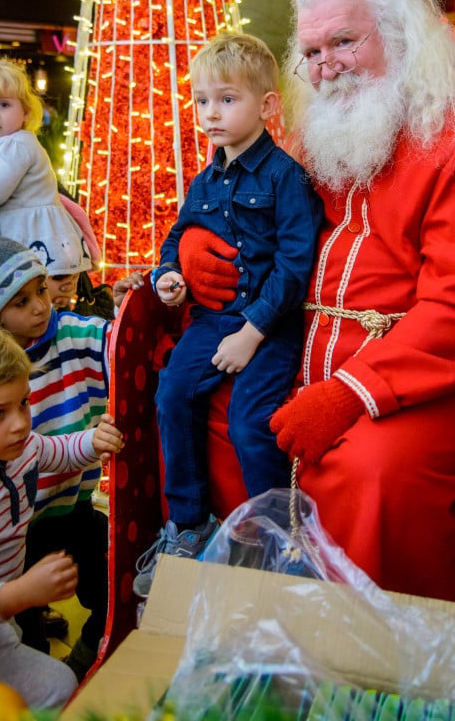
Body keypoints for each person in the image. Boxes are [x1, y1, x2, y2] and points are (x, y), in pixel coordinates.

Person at [171, 0, 455, 610]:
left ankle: (368, 661)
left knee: (377, 473)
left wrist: (348, 395)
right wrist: (200, 243)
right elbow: (259, 213)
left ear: (401, 37)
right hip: (296, 349)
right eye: (311, 51)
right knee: (199, 399)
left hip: (425, 380)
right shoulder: (319, 129)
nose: (325, 66)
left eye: (344, 41)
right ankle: (246, 611)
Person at [132, 34, 323, 598]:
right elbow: (177, 237)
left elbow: (295, 264)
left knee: (248, 421)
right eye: (201, 101)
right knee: (171, 393)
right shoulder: (206, 179)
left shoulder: (286, 176)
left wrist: (251, 333)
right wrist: (167, 275)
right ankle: (189, 524)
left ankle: (276, 541)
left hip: (270, 325)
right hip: (212, 320)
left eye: (226, 99)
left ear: (266, 106)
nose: (210, 113)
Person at [0, 236, 112, 681]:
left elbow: (53, 450)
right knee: (23, 629)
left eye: (42, 290)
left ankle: (89, 650)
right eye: (21, 302)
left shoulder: (73, 335)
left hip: (69, 507)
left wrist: (95, 441)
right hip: (21, 533)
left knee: (105, 568)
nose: (40, 308)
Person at [0, 59, 92, 274]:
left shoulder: (16, 144)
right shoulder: (6, 145)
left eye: (4, 105)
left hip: (31, 247)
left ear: (26, 112)